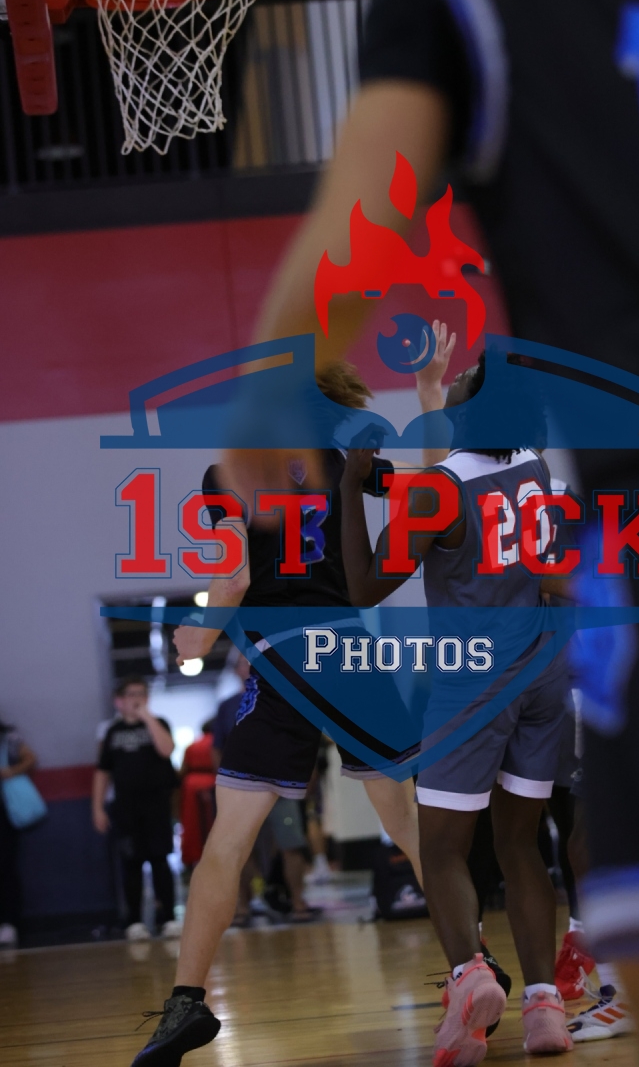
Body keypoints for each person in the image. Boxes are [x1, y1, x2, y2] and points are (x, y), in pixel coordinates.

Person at [227, 0, 639, 1065]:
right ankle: (549, 988)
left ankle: (497, 982)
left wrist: (280, 402)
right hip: (578, 634)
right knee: (550, 842)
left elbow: (362, 236)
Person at [128, 362, 423, 1067]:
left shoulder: (229, 475)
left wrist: (200, 635)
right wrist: (432, 399)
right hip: (348, 654)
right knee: (413, 830)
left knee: (227, 844)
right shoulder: (344, 463)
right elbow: (434, 490)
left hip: (284, 661)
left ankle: (187, 1004)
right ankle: (475, 966)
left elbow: (233, 577)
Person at [341, 352, 575, 1059]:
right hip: (545, 675)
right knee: (521, 845)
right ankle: (545, 1008)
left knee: (442, 848)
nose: (460, 379)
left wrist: (351, 488)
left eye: (466, 379)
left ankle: (470, 976)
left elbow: (365, 585)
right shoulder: (536, 467)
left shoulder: (440, 488)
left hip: (475, 680)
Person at [211, 654, 316, 925]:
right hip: (241, 788)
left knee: (291, 844)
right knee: (238, 848)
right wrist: (224, 784)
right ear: (236, 671)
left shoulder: (286, 698)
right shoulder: (226, 707)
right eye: (244, 663)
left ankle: (298, 901)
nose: (250, 666)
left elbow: (301, 739)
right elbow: (217, 749)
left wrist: (305, 777)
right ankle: (242, 906)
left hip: (281, 784)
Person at [93, 676, 181, 941]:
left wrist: (147, 717)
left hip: (156, 804)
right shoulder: (112, 732)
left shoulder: (159, 723)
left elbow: (166, 749)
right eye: (131, 694)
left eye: (141, 693)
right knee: (131, 863)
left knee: (160, 861)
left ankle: (168, 918)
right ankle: (134, 921)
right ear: (119, 701)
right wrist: (97, 808)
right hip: (125, 807)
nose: (137, 698)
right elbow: (102, 771)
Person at [0, 718, 36, 948]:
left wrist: (10, 771)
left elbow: (30, 758)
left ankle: (8, 923)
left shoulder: (8, 737)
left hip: (5, 812)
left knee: (5, 867)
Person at [178, 722, 216, 872]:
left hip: (191, 786)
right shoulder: (217, 744)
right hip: (213, 783)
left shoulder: (192, 746)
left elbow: (183, 769)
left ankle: (192, 859)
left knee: (192, 824)